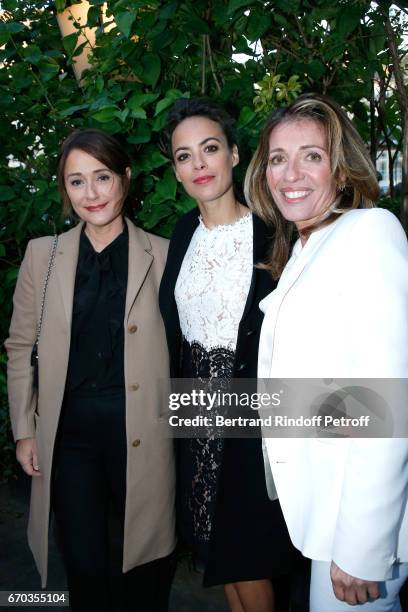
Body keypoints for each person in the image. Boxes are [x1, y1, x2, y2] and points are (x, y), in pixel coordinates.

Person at [244, 93, 408, 611]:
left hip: (360, 527)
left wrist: (362, 547)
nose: (291, 172)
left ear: (340, 170)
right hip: (330, 513)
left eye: (311, 155)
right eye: (277, 158)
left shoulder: (370, 232)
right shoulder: (308, 244)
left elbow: (387, 399)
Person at [5, 129, 176, 611]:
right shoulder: (43, 255)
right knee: (83, 564)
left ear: (126, 176)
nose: (92, 193)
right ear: (65, 189)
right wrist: (24, 428)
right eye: (76, 182)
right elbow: (20, 345)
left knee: (143, 564)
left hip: (142, 428)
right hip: (70, 434)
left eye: (102, 177)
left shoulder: (163, 254)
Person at [159, 98, 308, 612]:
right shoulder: (181, 234)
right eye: (184, 156)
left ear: (234, 154)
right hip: (195, 409)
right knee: (215, 551)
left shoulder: (274, 233)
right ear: (175, 170)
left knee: (250, 554)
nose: (198, 164)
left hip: (251, 415)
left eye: (209, 149)